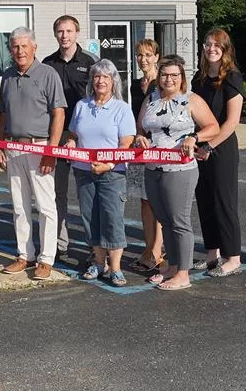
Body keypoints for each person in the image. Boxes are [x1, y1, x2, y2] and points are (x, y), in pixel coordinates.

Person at [135, 56, 219, 291]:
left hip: (180, 169)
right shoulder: (151, 99)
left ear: (181, 78)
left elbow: (214, 127)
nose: (169, 79)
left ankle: (183, 273)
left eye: (174, 75)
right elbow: (141, 127)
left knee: (179, 221)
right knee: (164, 219)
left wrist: (195, 138)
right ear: (158, 77)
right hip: (153, 167)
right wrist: (140, 136)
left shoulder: (191, 100)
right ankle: (172, 265)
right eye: (164, 75)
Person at [0, 27, 66, 280]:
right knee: (19, 206)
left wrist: (51, 150)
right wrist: (1, 145)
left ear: (34, 47)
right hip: (14, 147)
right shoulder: (7, 76)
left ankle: (46, 259)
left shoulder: (48, 74)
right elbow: (3, 113)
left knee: (46, 207)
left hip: (40, 147)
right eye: (15, 47)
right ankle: (25, 255)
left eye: (24, 46)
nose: (20, 51)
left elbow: (59, 113)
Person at [66, 59, 136, 286]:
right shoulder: (82, 106)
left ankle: (115, 269)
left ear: (114, 81)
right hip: (84, 171)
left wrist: (108, 164)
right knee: (90, 218)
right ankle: (98, 263)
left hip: (112, 173)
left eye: (106, 77)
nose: (101, 81)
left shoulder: (122, 108)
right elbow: (74, 134)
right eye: (97, 76)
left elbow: (126, 144)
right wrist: (70, 142)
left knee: (112, 219)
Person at [192, 29, 246, 277]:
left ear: (225, 50)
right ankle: (212, 254)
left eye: (217, 45)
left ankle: (232, 257)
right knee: (204, 201)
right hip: (199, 148)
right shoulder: (199, 79)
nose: (211, 49)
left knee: (224, 202)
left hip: (221, 148)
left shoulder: (232, 78)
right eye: (208, 44)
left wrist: (209, 147)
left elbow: (232, 122)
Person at [43, 15, 95, 263]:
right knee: (57, 193)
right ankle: (59, 243)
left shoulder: (90, 63)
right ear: (55, 34)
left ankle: (95, 247)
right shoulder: (47, 64)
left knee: (89, 194)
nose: (64, 35)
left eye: (69, 31)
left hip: (85, 137)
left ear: (77, 33)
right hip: (58, 135)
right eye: (60, 31)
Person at [126, 39, 164, 275]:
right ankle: (148, 247)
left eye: (149, 55)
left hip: (160, 146)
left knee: (158, 201)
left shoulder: (164, 82)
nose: (144, 59)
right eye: (140, 55)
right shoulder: (134, 85)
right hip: (138, 147)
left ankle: (158, 251)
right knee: (144, 200)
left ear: (157, 57)